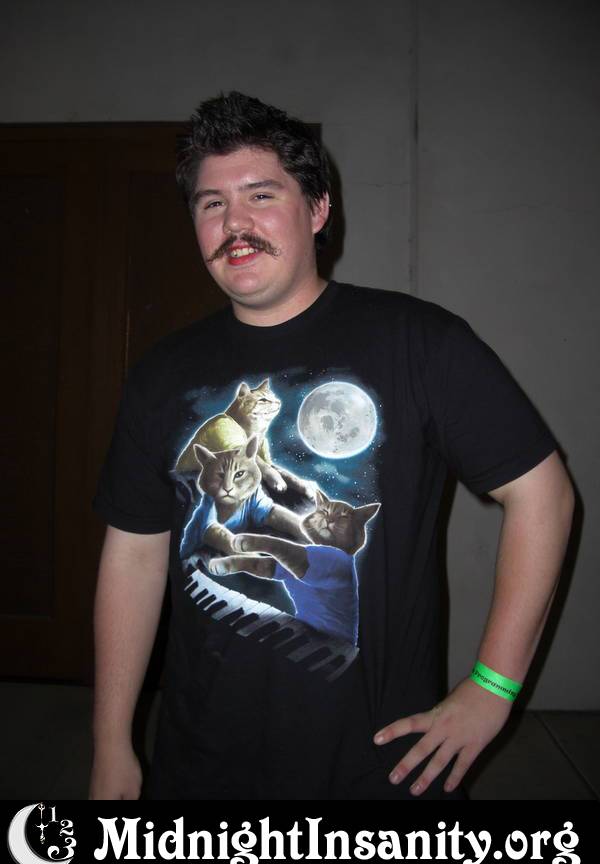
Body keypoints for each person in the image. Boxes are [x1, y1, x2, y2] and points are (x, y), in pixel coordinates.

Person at [88, 91, 574, 801]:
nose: (235, 223)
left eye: (261, 195)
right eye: (211, 203)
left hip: (382, 764)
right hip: (201, 760)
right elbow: (133, 555)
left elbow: (544, 496)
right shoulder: (161, 374)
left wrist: (493, 687)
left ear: (318, 210)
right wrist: (111, 740)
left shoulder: (419, 341)